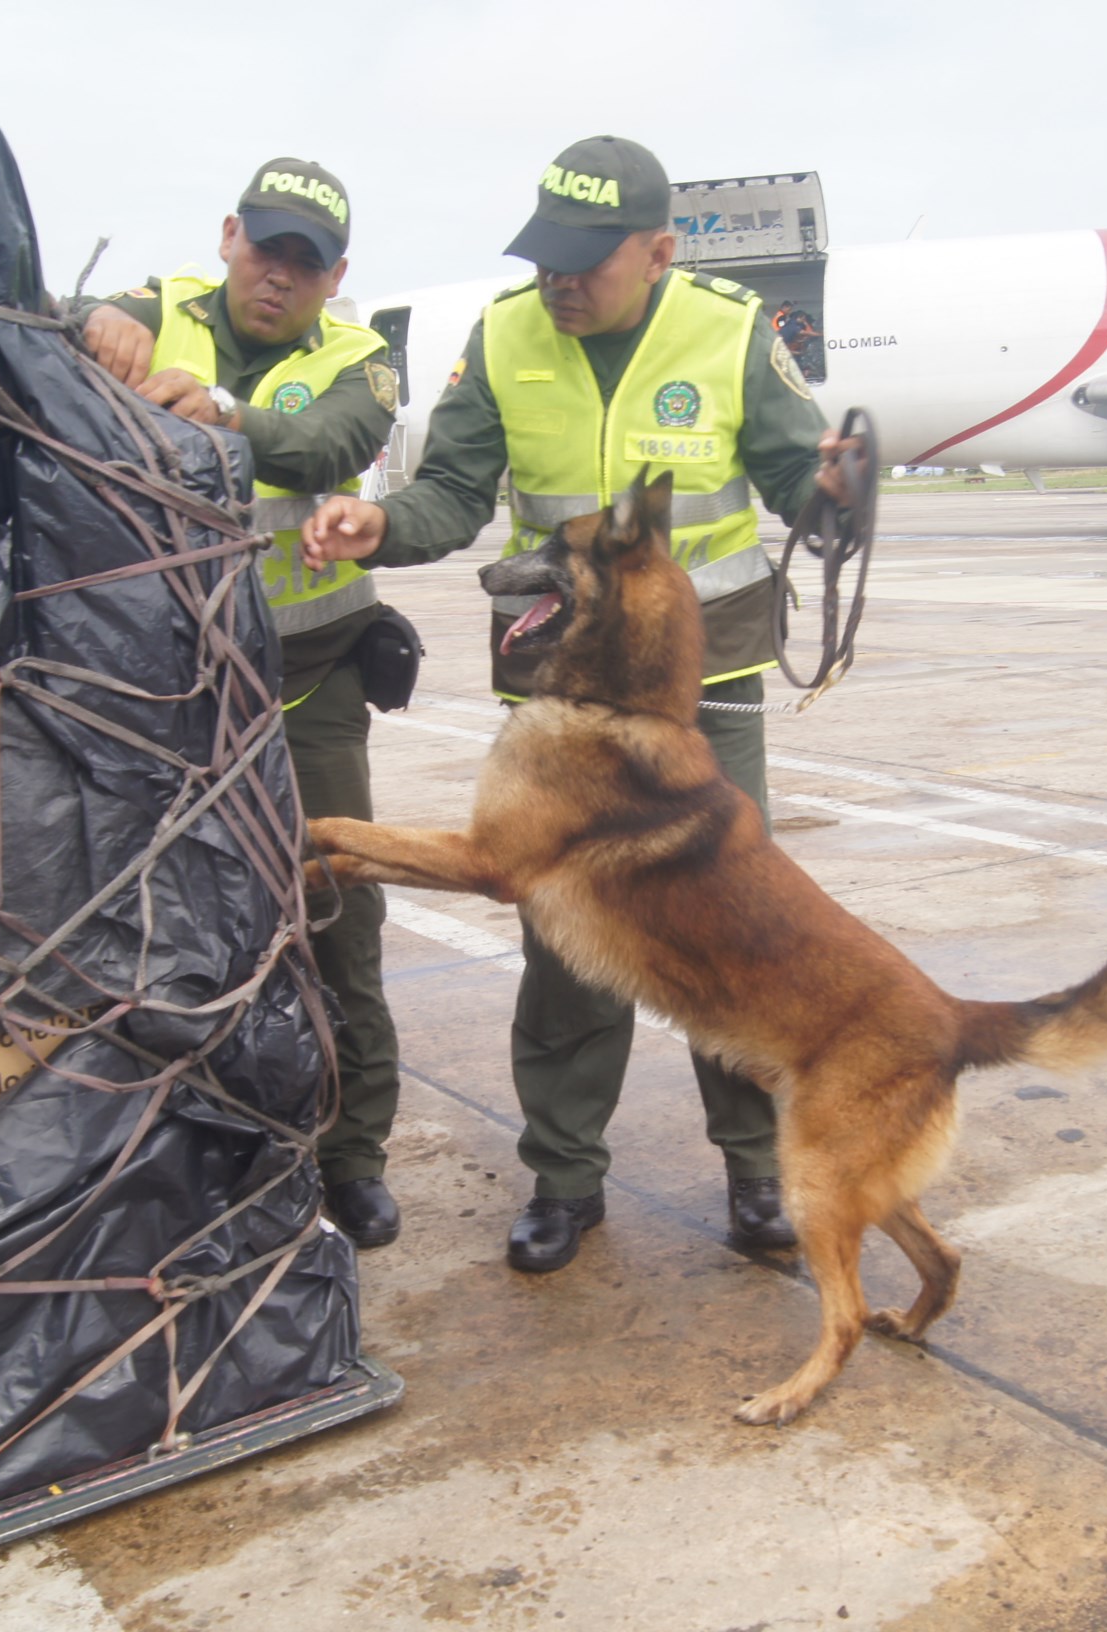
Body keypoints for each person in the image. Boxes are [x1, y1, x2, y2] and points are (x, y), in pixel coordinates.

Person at [301, 135, 861, 1273]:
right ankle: (564, 1178)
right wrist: (382, 527)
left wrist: (840, 491)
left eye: (586, 262)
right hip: (558, 704)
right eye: (546, 256)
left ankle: (754, 1178)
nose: (559, 280)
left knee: (727, 941)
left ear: (658, 251)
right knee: (562, 943)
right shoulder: (504, 334)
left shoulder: (728, 331)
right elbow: (452, 491)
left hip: (702, 691)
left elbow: (805, 484)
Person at [73, 159, 409, 1250]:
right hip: (166, 692)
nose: (279, 277)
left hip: (308, 687)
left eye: (305, 264)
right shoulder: (155, 309)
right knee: (176, 926)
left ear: (335, 276)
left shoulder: (356, 356)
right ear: (228, 237)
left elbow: (326, 447)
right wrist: (91, 324)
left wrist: (219, 413)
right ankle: (211, 1150)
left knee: (338, 913)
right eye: (266, 249)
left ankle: (351, 1157)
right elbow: (26, 317)